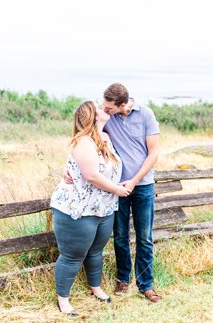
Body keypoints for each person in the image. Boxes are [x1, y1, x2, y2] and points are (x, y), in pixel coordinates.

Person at [64, 83, 162, 303]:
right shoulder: (107, 119)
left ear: (123, 105)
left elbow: (154, 152)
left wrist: (134, 181)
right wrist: (67, 167)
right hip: (115, 188)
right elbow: (82, 137)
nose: (104, 109)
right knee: (120, 237)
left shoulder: (146, 114)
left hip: (142, 185)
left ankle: (146, 285)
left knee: (144, 237)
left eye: (108, 107)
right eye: (103, 106)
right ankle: (123, 279)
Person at [50, 101, 129, 316]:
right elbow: (92, 176)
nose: (105, 109)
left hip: (103, 207)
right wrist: (118, 190)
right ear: (92, 117)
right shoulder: (84, 142)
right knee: (72, 255)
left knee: (95, 251)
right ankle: (63, 300)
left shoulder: (105, 138)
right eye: (100, 108)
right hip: (78, 208)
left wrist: (116, 187)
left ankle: (95, 288)